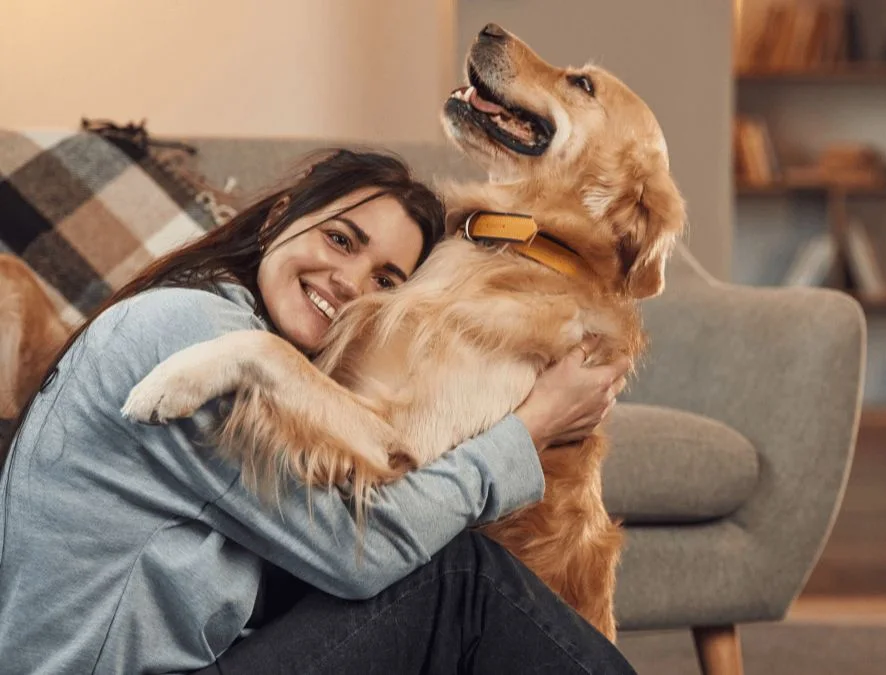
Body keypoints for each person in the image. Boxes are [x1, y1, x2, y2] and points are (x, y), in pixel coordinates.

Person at [0, 149, 637, 674]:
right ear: (281, 216)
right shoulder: (198, 338)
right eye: (339, 239)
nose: (349, 284)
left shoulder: (202, 317)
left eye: (386, 281)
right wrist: (533, 427)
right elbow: (360, 554)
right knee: (459, 582)